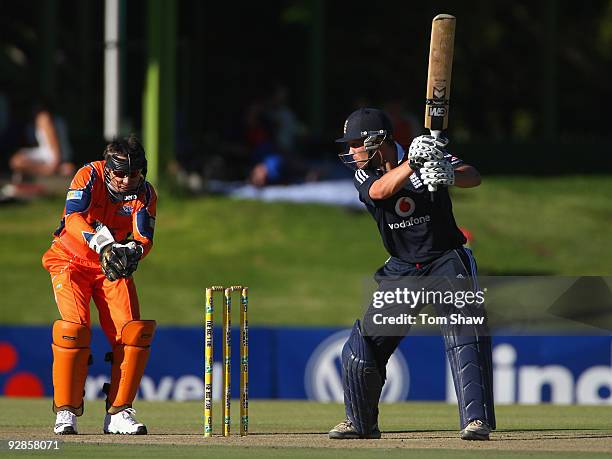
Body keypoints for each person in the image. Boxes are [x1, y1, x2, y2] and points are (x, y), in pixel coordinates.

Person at [328, 108, 495, 441]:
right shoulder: (367, 173)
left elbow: (472, 176)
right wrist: (414, 164)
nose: (350, 152)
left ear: (376, 141)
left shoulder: (427, 151)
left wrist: (447, 172)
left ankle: (476, 421)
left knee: (465, 330)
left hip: (446, 259)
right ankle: (360, 422)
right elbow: (380, 192)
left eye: (355, 144)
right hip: (402, 268)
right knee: (362, 348)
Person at [42, 135, 157, 435]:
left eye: (133, 174)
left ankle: (119, 412)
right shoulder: (89, 175)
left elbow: (144, 238)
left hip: (111, 267)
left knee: (133, 334)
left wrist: (132, 252)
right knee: (74, 331)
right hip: (70, 260)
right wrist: (103, 243)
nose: (126, 180)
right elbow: (73, 218)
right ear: (108, 169)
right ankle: (66, 411)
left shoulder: (145, 193)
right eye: (120, 173)